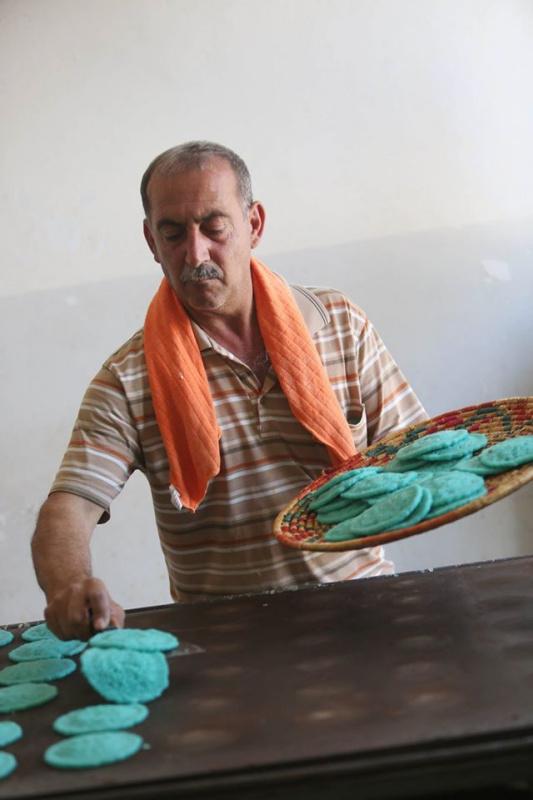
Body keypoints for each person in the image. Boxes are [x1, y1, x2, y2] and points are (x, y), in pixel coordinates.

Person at [31, 141, 426, 640]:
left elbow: (417, 454)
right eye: (173, 233)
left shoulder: (340, 325)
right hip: (224, 638)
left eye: (214, 227)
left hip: (364, 608)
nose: (195, 254)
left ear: (254, 225)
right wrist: (68, 586)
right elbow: (70, 505)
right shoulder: (129, 380)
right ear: (151, 241)